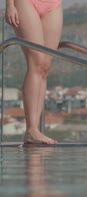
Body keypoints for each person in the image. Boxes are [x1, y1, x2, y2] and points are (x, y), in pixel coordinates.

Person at [4, 0, 63, 145]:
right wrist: (10, 5)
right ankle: (32, 129)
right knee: (36, 63)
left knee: (44, 67)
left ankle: (35, 131)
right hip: (25, 2)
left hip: (53, 4)